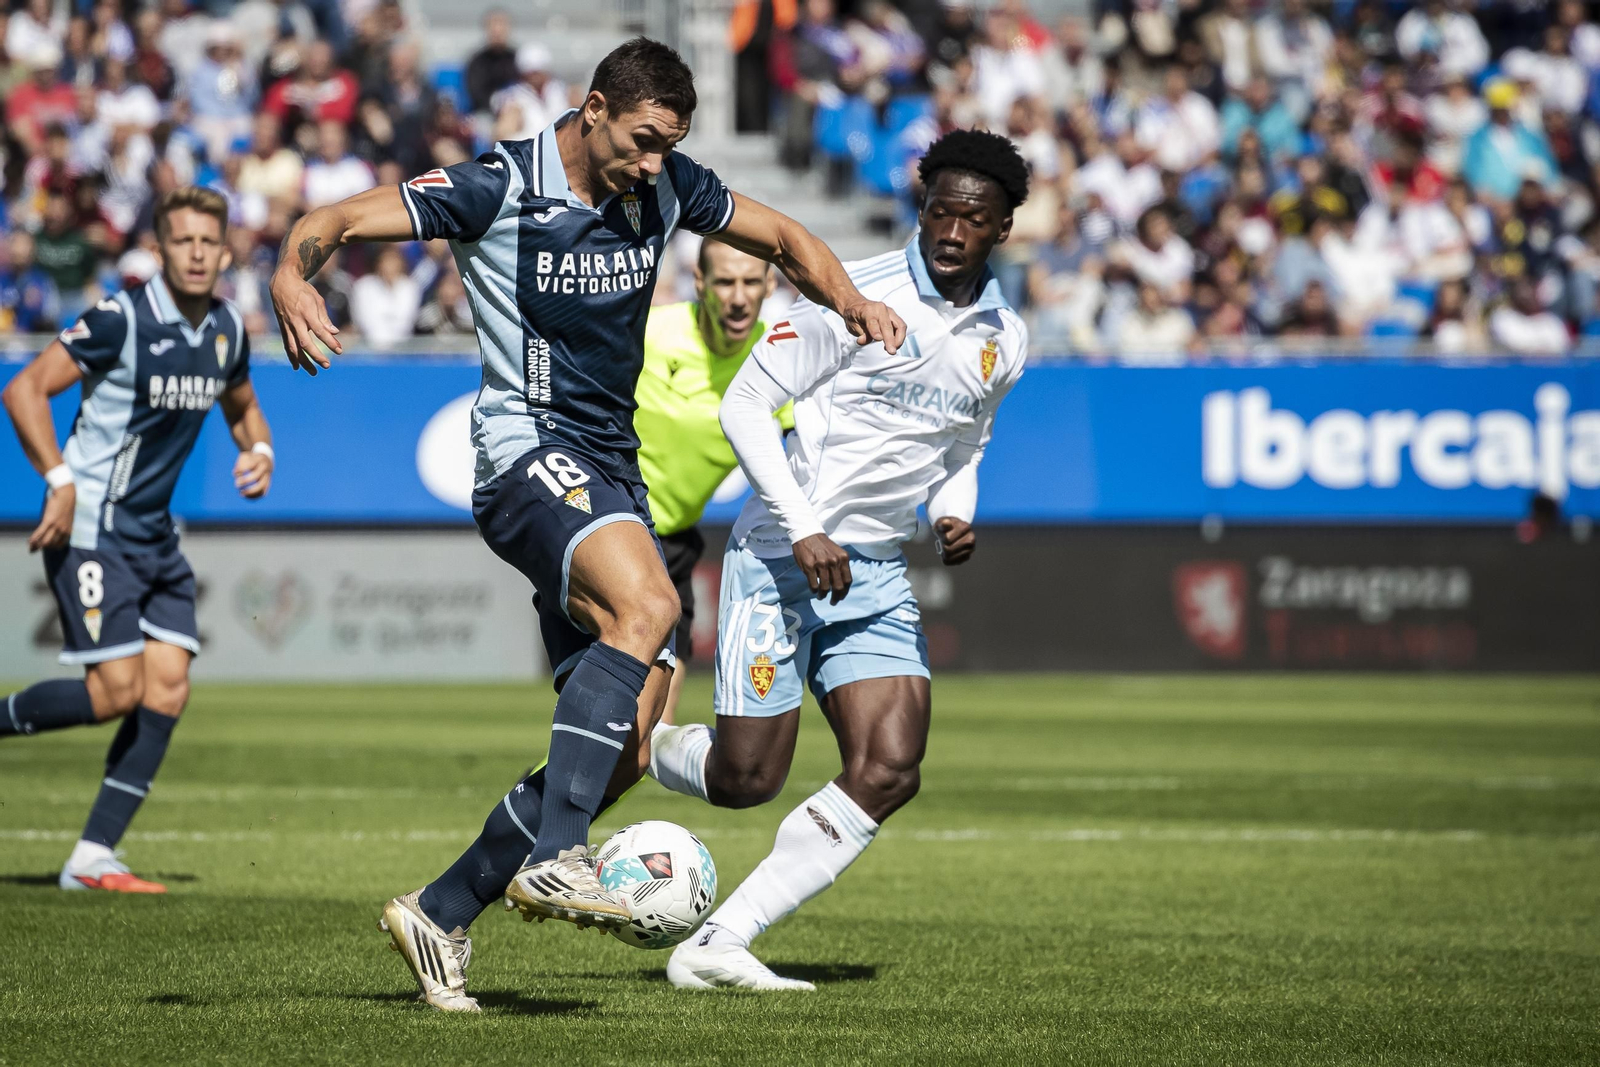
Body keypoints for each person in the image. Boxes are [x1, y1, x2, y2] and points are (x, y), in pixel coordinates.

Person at [267, 36, 905, 1013]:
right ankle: (557, 854)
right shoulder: (495, 185)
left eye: (669, 147)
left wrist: (850, 298)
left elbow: (781, 237)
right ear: (595, 106)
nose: (654, 165)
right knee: (649, 601)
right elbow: (336, 219)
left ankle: (441, 909)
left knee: (621, 751)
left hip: (608, 469)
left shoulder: (666, 187)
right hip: (523, 449)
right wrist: (290, 274)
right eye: (643, 140)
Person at [648, 128, 1029, 991]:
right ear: (921, 209)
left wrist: (953, 509)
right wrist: (805, 522)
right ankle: (651, 748)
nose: (952, 230)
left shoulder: (1006, 335)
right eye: (939, 210)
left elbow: (968, 440)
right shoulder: (848, 292)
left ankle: (719, 943)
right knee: (749, 778)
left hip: (876, 571)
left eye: (973, 217)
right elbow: (747, 405)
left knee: (892, 764)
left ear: (1002, 227)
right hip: (783, 554)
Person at [0, 187, 274, 893]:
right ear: (159, 249)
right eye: (181, 241)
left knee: (169, 687)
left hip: (155, 536)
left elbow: (243, 406)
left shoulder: (227, 330)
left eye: (207, 242)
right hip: (91, 525)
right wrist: (58, 478)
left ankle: (93, 857)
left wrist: (260, 452)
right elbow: (25, 389)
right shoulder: (122, 319)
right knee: (115, 691)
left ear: (224, 250)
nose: (196, 253)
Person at [637, 239, 793, 725]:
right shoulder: (649, 331)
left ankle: (553, 797)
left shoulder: (782, 361)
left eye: (751, 282)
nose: (739, 297)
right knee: (620, 719)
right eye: (725, 281)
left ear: (770, 285)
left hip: (674, 542)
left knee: (651, 729)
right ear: (700, 282)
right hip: (608, 524)